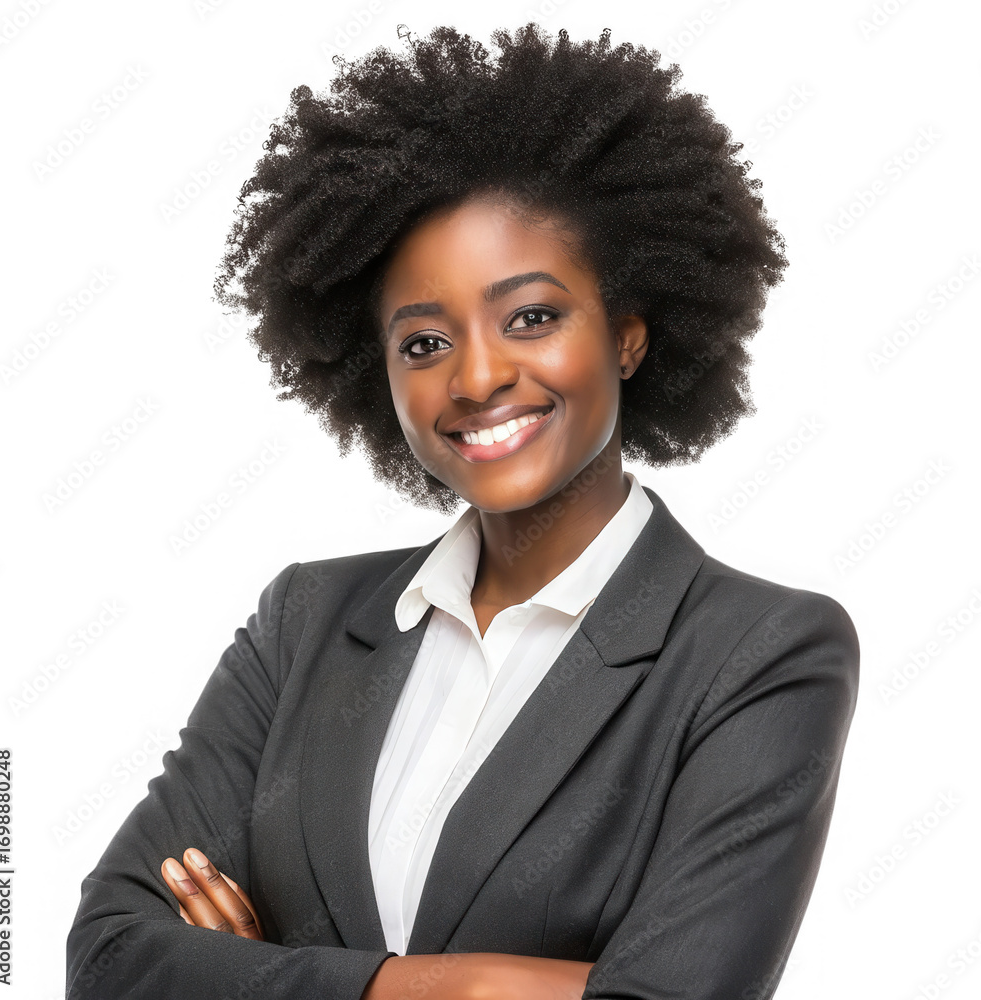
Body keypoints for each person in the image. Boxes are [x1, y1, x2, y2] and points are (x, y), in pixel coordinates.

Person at [65, 22, 859, 1000]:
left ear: (626, 335)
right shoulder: (305, 621)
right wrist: (464, 986)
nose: (477, 376)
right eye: (424, 341)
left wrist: (256, 973)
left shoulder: (760, 650)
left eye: (531, 316)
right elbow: (106, 955)